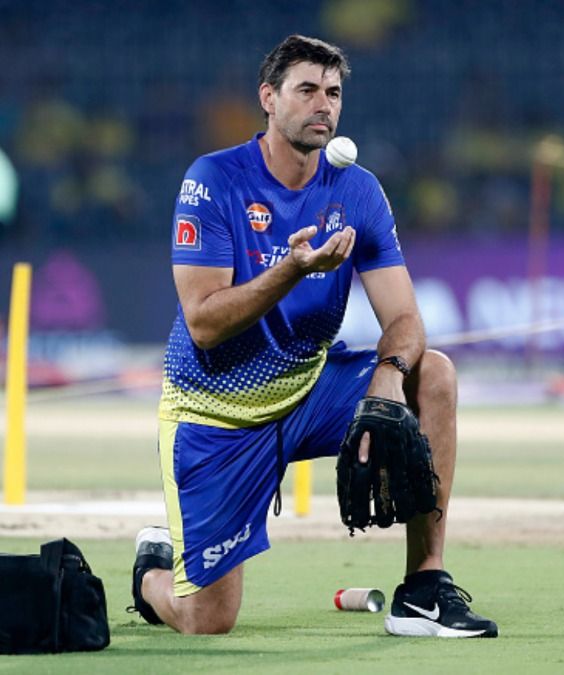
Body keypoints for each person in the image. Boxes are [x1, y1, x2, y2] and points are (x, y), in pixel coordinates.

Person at [129, 34, 497, 638]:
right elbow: (203, 320)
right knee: (208, 620)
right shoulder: (214, 179)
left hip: (309, 392)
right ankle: (150, 574)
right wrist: (292, 269)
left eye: (333, 92)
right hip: (218, 418)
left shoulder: (356, 190)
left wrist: (387, 378)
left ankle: (424, 590)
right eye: (307, 90)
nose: (323, 104)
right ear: (268, 99)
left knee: (433, 373)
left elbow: (405, 319)